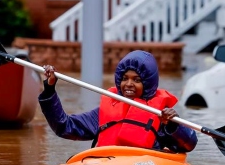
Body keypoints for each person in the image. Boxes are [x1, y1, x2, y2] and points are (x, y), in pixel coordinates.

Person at [38, 51, 197, 153]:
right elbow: (64, 126)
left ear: (148, 83)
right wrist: (50, 89)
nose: (128, 84)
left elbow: (188, 144)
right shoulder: (104, 112)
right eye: (124, 78)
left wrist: (173, 126)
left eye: (136, 80)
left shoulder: (162, 115)